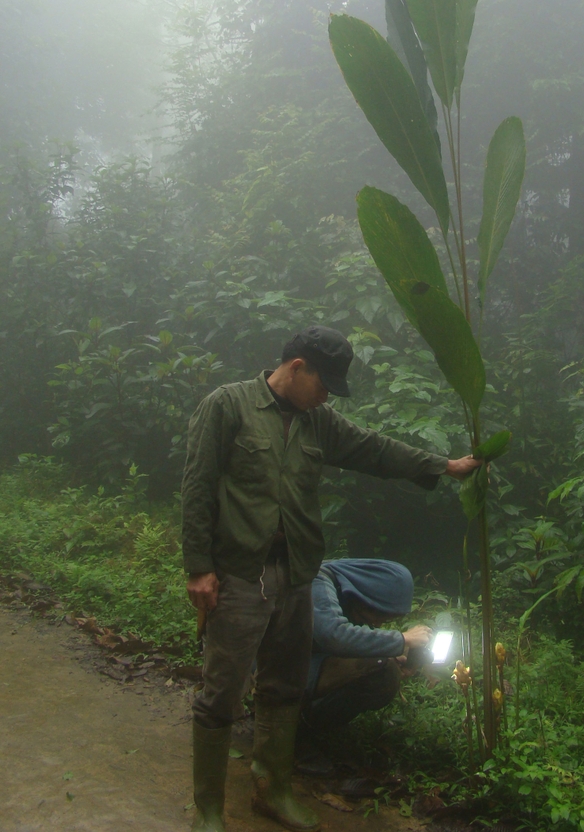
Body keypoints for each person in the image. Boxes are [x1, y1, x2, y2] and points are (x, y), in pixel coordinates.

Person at [182, 325, 480, 832]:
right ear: (298, 367)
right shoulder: (227, 407)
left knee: (283, 688)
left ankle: (271, 790)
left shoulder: (317, 423)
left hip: (297, 574)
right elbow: (197, 485)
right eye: (323, 384)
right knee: (222, 694)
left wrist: (442, 466)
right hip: (238, 575)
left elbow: (374, 449)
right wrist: (199, 569)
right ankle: (209, 809)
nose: (325, 397)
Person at [297, 557, 430, 776]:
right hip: (277, 668)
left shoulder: (347, 595)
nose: (377, 624)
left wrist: (392, 654)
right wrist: (401, 639)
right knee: (381, 668)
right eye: (378, 615)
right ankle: (296, 732)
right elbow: (334, 636)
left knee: (383, 670)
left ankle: (316, 726)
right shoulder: (318, 581)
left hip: (309, 662)